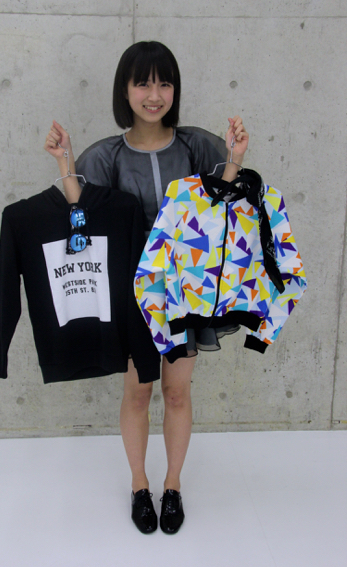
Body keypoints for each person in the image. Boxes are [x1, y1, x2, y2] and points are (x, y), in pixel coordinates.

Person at [44, 41, 249, 535]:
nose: (154, 95)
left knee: (176, 394)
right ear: (125, 90)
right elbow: (83, 219)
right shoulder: (106, 156)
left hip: (186, 292)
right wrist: (65, 163)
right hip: (134, 294)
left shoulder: (196, 147)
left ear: (174, 90)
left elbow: (221, 207)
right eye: (143, 83)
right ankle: (139, 485)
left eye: (164, 83)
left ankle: (172, 485)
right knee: (138, 394)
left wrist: (235, 160)